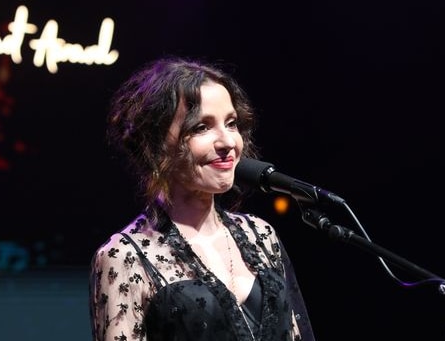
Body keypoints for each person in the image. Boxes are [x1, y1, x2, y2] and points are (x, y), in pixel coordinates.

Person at [89, 55, 316, 341]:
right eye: (201, 127)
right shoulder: (125, 256)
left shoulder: (261, 235)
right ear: (156, 144)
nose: (228, 142)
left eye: (231, 123)